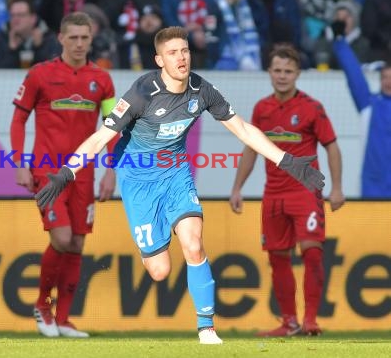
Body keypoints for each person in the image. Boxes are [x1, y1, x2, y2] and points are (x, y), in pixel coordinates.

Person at [34, 26, 325, 345]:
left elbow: (242, 129)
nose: (181, 57)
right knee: (159, 270)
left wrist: (286, 160)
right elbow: (100, 137)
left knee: (193, 241)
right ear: (160, 60)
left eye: (184, 50)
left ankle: (206, 327)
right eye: (173, 53)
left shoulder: (202, 90)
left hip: (175, 173)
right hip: (138, 179)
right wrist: (65, 173)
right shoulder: (142, 91)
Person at [11, 11, 117, 338]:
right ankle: (42, 305)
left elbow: (111, 128)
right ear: (60, 38)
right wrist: (18, 162)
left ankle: (65, 319)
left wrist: (110, 172)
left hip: (84, 174)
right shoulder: (39, 75)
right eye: (73, 37)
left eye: (85, 38)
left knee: (78, 244)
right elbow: (18, 120)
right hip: (48, 171)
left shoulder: (103, 79)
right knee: (62, 237)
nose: (80, 43)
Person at [229, 43, 344, 337]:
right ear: (269, 72)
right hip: (274, 194)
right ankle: (289, 322)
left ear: (297, 74)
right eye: (277, 70)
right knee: (277, 256)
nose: (282, 76)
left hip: (305, 192)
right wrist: (237, 188)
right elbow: (251, 149)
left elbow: (331, 146)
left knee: (312, 251)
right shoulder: (262, 109)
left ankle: (311, 321)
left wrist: (337, 188)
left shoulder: (312, 108)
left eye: (288, 71)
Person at [333, 31, 391, 198]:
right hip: (374, 187)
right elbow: (354, 75)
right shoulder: (369, 104)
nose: (388, 82)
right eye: (385, 77)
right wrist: (340, 43)